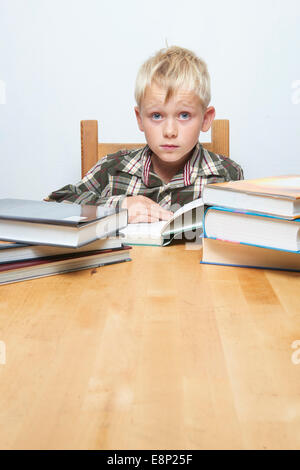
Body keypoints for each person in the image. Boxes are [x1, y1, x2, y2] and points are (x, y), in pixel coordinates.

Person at [45, 45, 243, 223]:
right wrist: (118, 208)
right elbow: (52, 206)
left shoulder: (226, 176)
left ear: (206, 119)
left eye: (184, 115)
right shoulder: (113, 170)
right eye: (156, 116)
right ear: (140, 118)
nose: (170, 131)